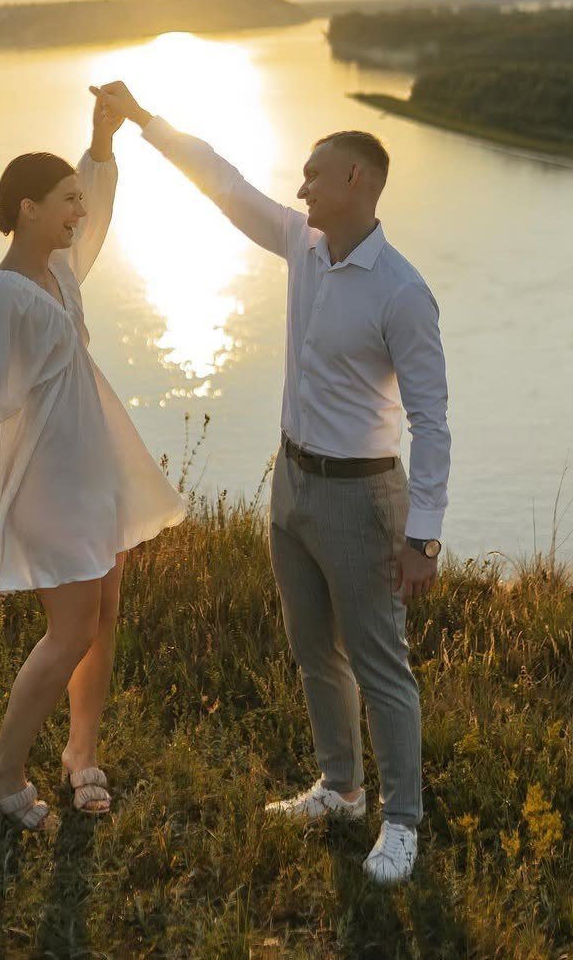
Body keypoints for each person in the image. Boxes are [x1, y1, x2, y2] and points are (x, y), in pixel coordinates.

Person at [90, 81, 450, 885]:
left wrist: (424, 535)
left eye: (314, 174)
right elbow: (223, 182)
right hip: (292, 486)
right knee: (313, 652)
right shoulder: (301, 246)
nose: (300, 187)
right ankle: (342, 788)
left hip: (364, 499)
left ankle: (403, 824)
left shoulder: (403, 291)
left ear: (356, 180)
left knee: (381, 664)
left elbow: (433, 421)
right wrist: (146, 121)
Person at [0, 93, 186, 830]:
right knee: (69, 629)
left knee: (103, 614)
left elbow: (93, 203)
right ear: (27, 208)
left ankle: (80, 753)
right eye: (64, 201)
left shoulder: (60, 272)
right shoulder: (2, 293)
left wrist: (99, 144)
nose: (78, 212)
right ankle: (0, 776)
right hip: (50, 476)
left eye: (78, 200)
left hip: (93, 463)